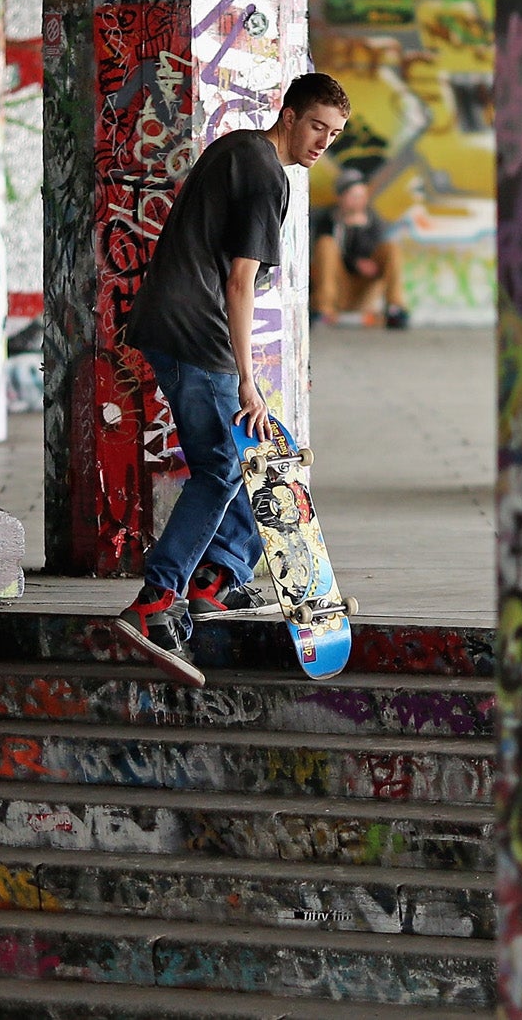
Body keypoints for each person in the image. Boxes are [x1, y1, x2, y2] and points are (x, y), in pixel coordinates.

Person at [116, 72, 353, 678]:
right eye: (317, 127)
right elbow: (240, 281)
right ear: (291, 115)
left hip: (171, 324)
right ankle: (158, 600)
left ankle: (219, 578)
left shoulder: (237, 147)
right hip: (198, 333)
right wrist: (248, 376)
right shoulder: (267, 173)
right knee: (226, 464)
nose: (323, 142)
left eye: (335, 134)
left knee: (262, 454)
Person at [311, 168, 408, 328]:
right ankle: (323, 309)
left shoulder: (373, 220)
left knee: (391, 248)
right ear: (340, 197)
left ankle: (395, 307)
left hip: (365, 288)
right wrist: (354, 262)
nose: (359, 201)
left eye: (362, 196)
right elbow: (324, 257)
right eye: (353, 196)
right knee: (325, 243)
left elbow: (378, 254)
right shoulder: (329, 220)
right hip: (337, 287)